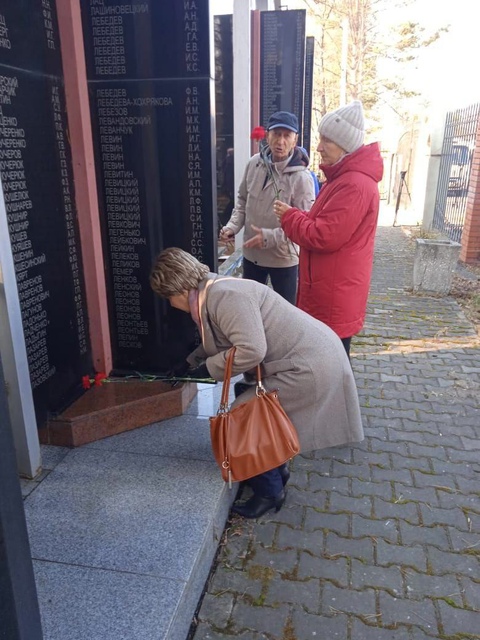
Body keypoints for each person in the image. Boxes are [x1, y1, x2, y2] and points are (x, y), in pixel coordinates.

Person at [150, 247, 363, 519]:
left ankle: (270, 493)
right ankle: (276, 468)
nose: (170, 304)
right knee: (251, 406)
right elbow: (226, 336)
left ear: (178, 289)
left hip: (307, 366)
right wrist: (191, 363)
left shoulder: (223, 297)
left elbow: (251, 350)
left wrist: (207, 371)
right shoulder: (213, 289)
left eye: (168, 297)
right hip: (307, 356)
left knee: (245, 420)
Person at [274, 100, 384, 358]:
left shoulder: (353, 184)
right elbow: (323, 222)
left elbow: (323, 236)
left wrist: (290, 217)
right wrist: (299, 215)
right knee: (330, 364)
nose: (320, 147)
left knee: (331, 366)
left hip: (334, 295)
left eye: (327, 141)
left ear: (345, 145)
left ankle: (335, 400)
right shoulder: (345, 178)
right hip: (332, 290)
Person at [219, 111, 315, 304]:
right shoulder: (254, 164)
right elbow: (242, 200)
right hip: (252, 256)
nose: (281, 141)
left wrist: (269, 237)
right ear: (268, 136)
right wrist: (232, 226)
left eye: (287, 135)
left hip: (283, 259)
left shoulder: (302, 178)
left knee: (285, 316)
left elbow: (304, 224)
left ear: (295, 139)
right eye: (276, 134)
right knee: (250, 309)